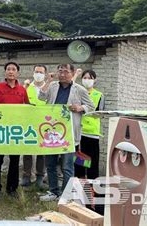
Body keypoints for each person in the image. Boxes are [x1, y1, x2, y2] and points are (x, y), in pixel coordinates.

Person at [38, 63, 95, 202]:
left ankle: (66, 194)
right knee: (50, 164)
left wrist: (80, 107)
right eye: (60, 71)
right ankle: (53, 191)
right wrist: (49, 80)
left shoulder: (79, 89)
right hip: (51, 132)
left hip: (68, 133)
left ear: (73, 73)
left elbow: (91, 106)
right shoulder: (53, 86)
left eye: (65, 71)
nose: (62, 74)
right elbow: (41, 97)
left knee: (67, 166)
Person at [0, 62, 30, 201]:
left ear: (18, 73)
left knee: (14, 161)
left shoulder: (22, 90)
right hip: (0, 129)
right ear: (5, 72)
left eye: (13, 69)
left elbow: (27, 107)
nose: (11, 71)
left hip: (15, 130)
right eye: (8, 69)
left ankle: (12, 188)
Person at [75, 70, 104, 214]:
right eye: (85, 78)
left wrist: (83, 109)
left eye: (89, 78)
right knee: (81, 166)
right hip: (80, 135)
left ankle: (94, 198)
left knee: (92, 167)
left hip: (92, 136)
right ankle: (82, 195)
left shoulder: (99, 95)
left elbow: (100, 113)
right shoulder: (78, 93)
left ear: (95, 80)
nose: (87, 80)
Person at [21, 64, 47, 189]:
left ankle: (40, 177)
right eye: (36, 71)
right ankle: (26, 176)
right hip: (29, 123)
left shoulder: (49, 88)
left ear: (45, 74)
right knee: (28, 151)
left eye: (41, 72)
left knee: (42, 152)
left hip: (44, 124)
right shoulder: (27, 87)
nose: (38, 74)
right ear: (33, 73)